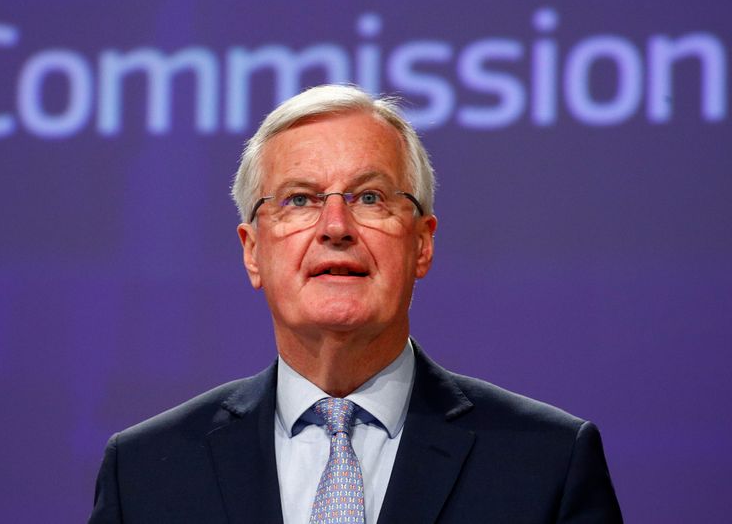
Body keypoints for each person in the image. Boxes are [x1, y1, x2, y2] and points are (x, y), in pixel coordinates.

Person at [88, 84, 623, 523]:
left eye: (370, 197)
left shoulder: (547, 462)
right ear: (252, 251)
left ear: (422, 243)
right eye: (300, 200)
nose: (336, 228)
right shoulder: (143, 474)